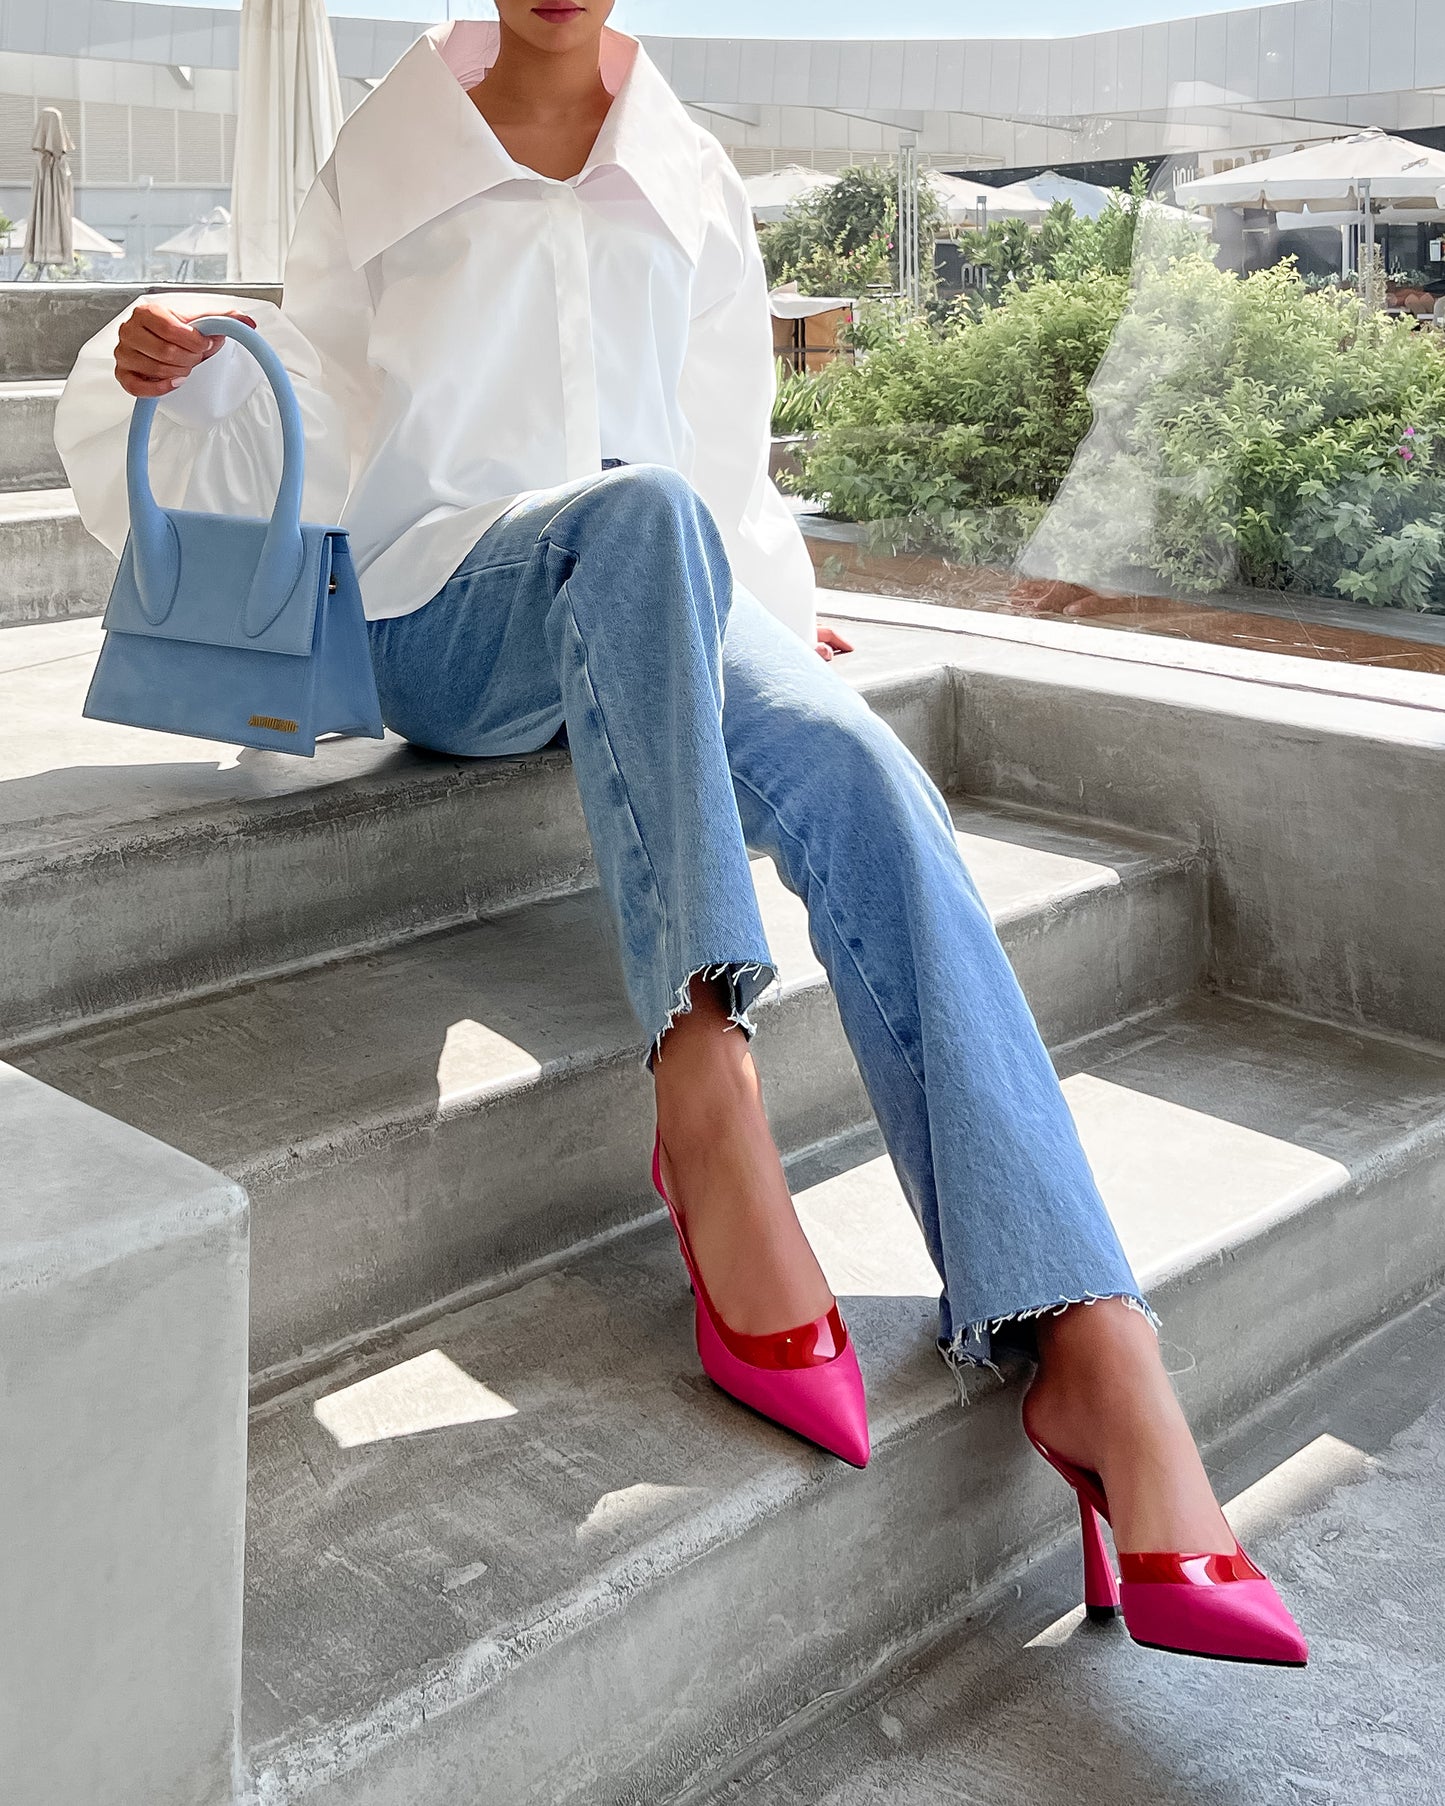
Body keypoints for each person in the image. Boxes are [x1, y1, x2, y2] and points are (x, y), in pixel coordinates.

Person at [54, 1, 1306, 1668]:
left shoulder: (691, 172)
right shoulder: (386, 153)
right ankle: (703, 1089)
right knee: (631, 512)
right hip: (452, 613)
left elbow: (724, 463)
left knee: (847, 758)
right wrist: (166, 360)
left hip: (659, 588)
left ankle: (1087, 1334)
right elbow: (319, 419)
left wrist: (779, 623)